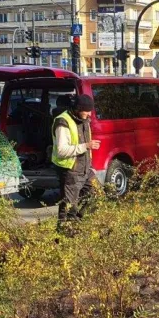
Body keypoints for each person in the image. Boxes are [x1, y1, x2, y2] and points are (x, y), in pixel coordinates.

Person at [52, 94, 101, 230]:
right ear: (78, 109)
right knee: (68, 207)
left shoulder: (84, 120)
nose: (90, 113)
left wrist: (90, 167)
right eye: (87, 110)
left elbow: (86, 147)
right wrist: (86, 146)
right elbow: (61, 150)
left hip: (85, 169)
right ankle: (63, 238)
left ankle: (76, 223)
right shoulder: (63, 122)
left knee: (97, 194)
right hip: (70, 170)